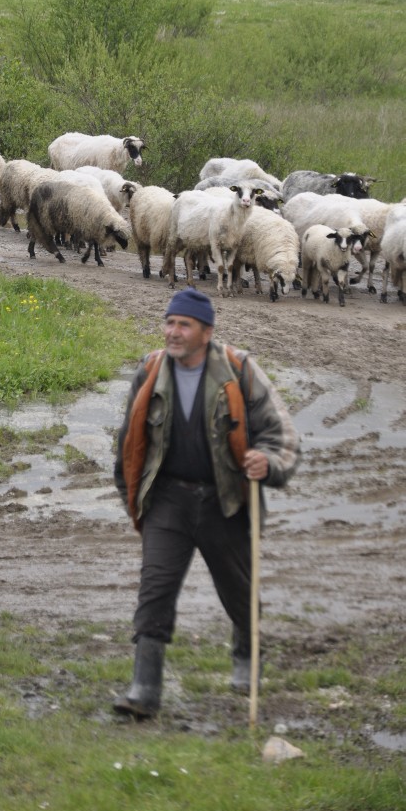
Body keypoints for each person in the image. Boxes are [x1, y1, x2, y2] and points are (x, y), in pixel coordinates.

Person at [113, 287, 300, 720]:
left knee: (239, 591)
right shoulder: (150, 370)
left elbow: (282, 434)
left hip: (226, 499)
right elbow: (129, 442)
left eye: (184, 325)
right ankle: (144, 689)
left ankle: (246, 657)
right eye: (170, 323)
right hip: (168, 500)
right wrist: (134, 500)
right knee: (154, 590)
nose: (173, 332)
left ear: (206, 332)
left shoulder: (239, 370)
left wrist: (267, 461)